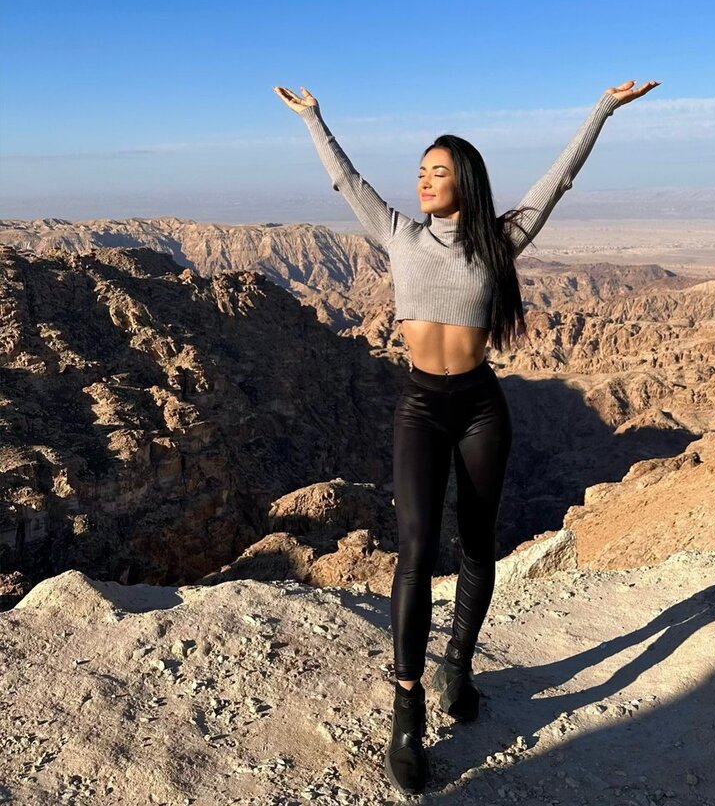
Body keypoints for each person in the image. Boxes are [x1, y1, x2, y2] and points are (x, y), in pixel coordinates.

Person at [274, 78, 660, 796]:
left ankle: (459, 665)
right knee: (417, 549)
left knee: (478, 545)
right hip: (421, 407)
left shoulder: (498, 240)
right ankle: (407, 707)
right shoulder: (398, 234)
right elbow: (347, 180)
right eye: (420, 171)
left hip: (482, 406)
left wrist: (601, 109)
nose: (424, 181)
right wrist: (314, 119)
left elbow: (557, 181)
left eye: (438, 171)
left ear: (466, 182)